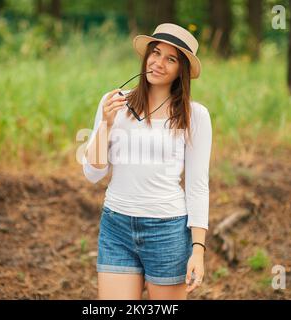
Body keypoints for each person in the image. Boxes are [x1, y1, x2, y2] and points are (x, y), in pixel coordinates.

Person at [82, 23, 212, 300]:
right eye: (155, 53)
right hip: (116, 225)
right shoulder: (114, 102)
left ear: (182, 70)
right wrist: (105, 124)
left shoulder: (194, 115)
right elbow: (92, 174)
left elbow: (198, 186)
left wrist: (198, 250)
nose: (158, 62)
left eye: (171, 58)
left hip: (167, 229)